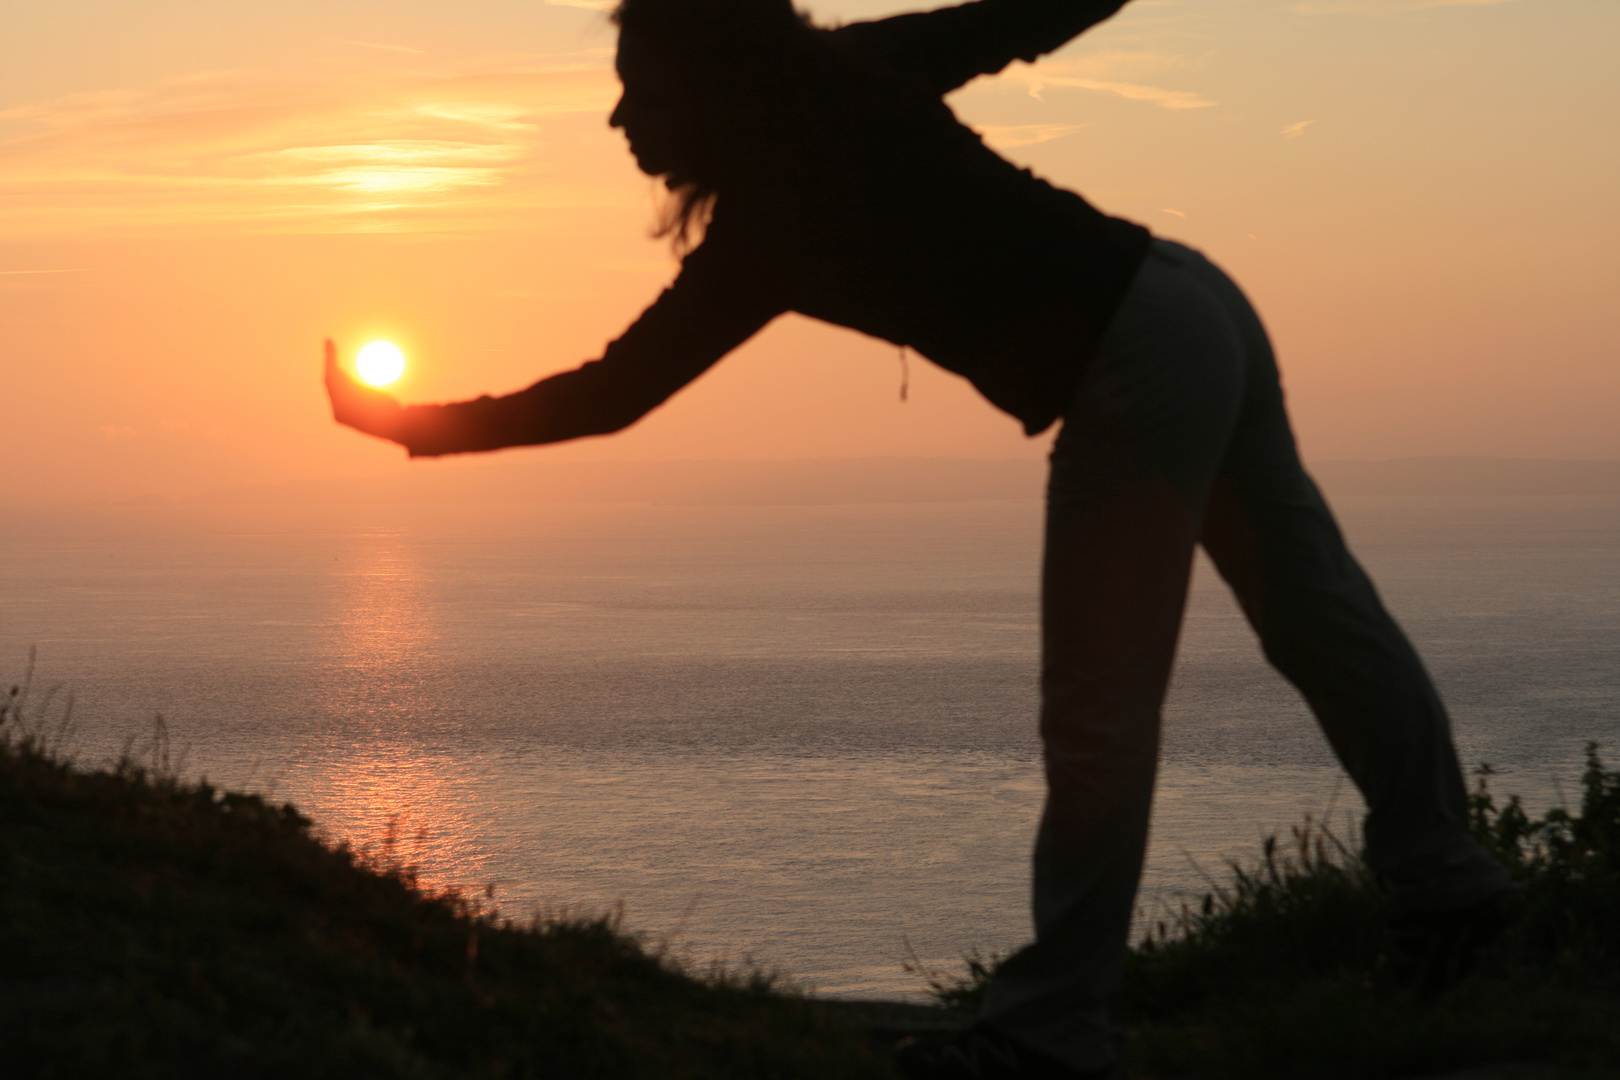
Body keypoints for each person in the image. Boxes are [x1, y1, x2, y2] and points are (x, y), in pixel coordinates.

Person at [326, 0, 1514, 1075]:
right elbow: (1022, 18)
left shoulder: (775, 217)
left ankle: (1052, 1033)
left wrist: (407, 425)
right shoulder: (841, 92)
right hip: (1187, 301)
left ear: (717, 80)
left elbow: (613, 393)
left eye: (646, 85)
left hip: (1135, 360)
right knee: (1319, 617)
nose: (619, 114)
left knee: (1102, 711)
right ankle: (1449, 893)